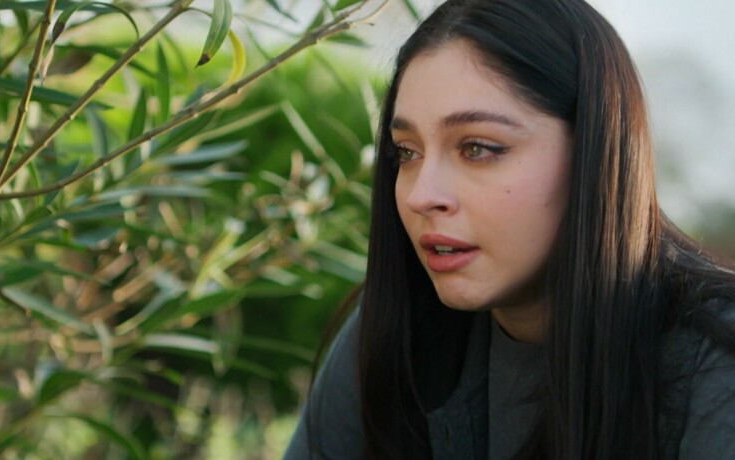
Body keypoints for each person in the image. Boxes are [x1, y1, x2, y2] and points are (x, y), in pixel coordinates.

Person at [283, 0, 735, 459]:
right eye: (407, 152)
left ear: (594, 152)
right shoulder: (398, 326)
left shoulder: (714, 362)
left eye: (477, 148)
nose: (421, 194)